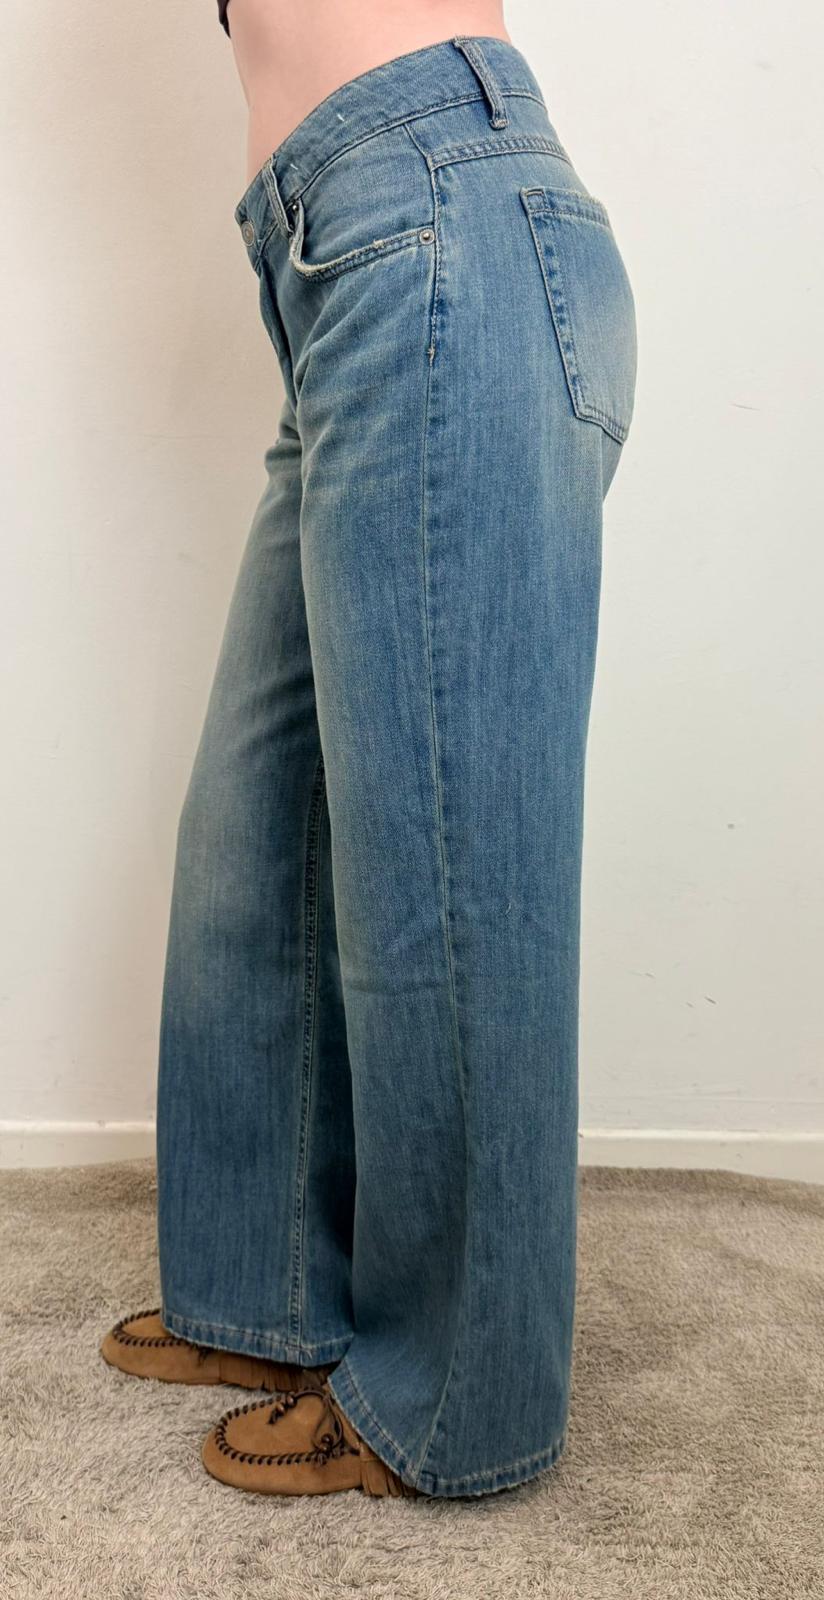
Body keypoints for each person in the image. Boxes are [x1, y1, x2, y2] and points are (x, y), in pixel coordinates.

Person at [101, 0, 637, 1501]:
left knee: (445, 884)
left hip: (430, 219)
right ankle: (268, 1293)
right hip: (348, 255)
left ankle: (457, 1400)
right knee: (260, 829)